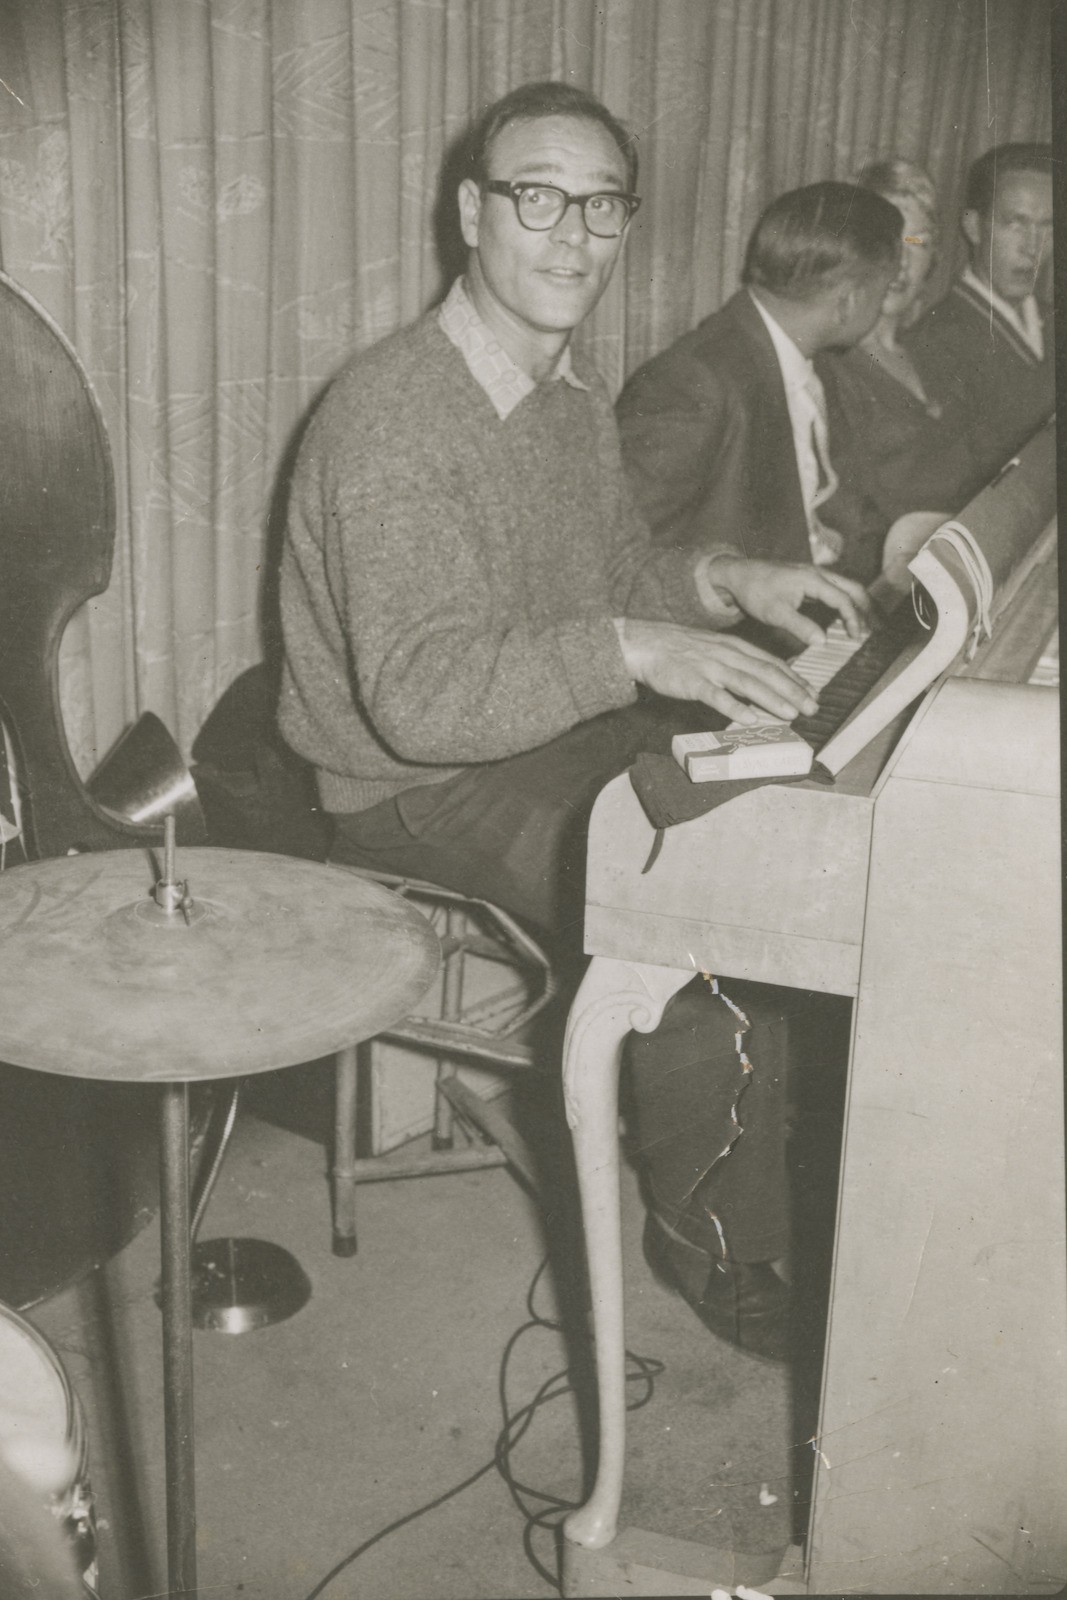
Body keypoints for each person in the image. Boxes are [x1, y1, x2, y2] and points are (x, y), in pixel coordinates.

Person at [278, 80, 871, 1363]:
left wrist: (722, 580)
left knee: (778, 821)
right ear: (471, 214)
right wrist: (630, 647)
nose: (572, 235)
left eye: (601, 206)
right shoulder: (393, 419)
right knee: (698, 890)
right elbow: (421, 697)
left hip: (533, 724)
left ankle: (746, 1142)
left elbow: (609, 576)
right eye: (537, 197)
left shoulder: (558, 395)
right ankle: (708, 1229)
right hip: (402, 778)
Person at [615, 182, 902, 589]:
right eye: (885, 289)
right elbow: (619, 558)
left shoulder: (819, 361)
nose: (885, 304)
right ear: (848, 302)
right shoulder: (695, 383)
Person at [816, 159, 984, 554]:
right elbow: (851, 532)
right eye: (886, 241)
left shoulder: (938, 356)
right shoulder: (826, 368)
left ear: (935, 258)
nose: (903, 262)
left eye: (918, 242)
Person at [906, 142, 1054, 489]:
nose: (1032, 247)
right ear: (973, 227)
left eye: (1047, 226)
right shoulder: (933, 339)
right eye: (1015, 223)